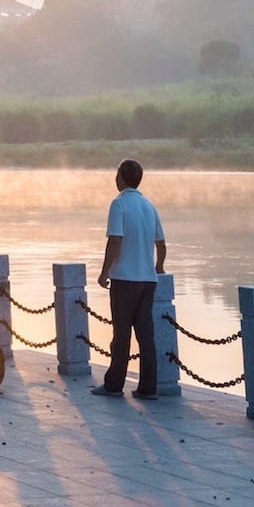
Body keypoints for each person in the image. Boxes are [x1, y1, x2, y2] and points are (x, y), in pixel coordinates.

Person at [92, 157, 165, 399]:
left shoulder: (119, 204)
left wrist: (104, 272)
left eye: (117, 175)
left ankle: (114, 385)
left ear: (121, 178)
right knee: (146, 336)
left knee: (121, 334)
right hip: (148, 280)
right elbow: (161, 243)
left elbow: (115, 240)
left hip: (125, 280)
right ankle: (147, 388)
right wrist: (158, 266)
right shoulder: (149, 206)